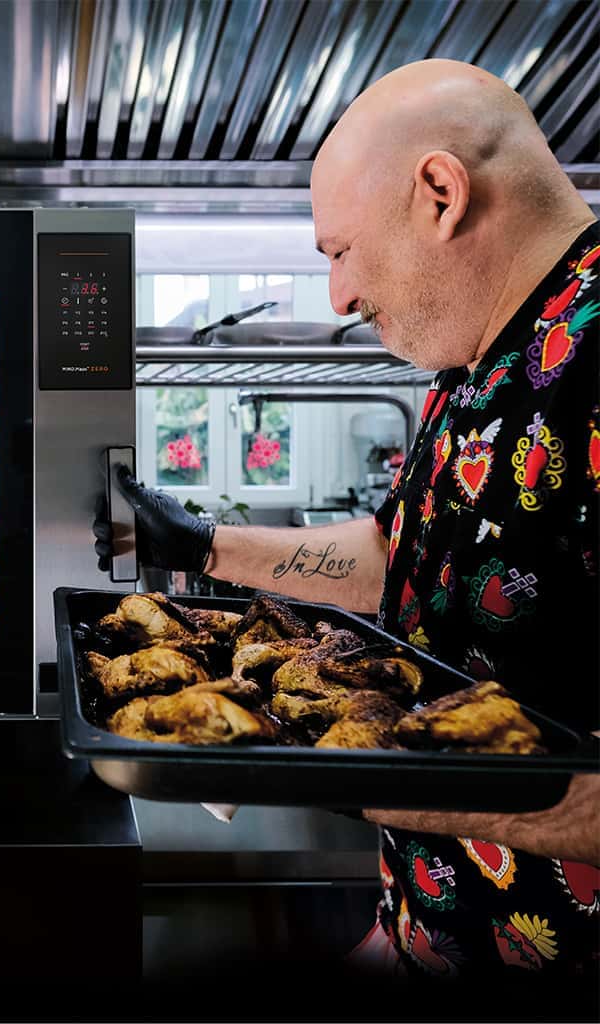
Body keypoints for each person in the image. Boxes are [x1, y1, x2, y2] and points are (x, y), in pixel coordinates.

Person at [94, 58, 599, 996]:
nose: (336, 297)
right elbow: (400, 558)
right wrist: (204, 546)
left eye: (339, 252)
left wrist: (356, 773)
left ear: (441, 193)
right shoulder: (481, 359)